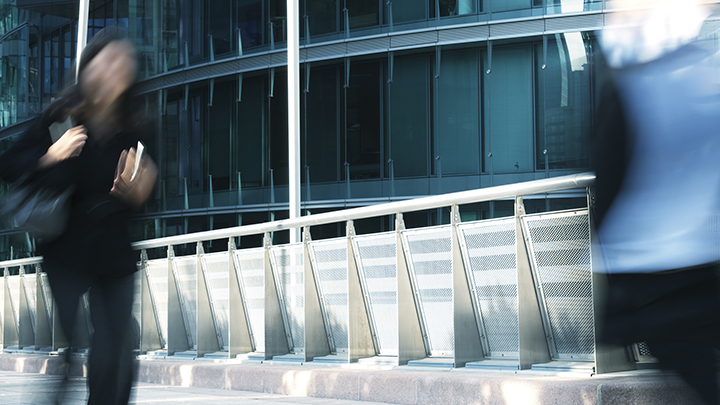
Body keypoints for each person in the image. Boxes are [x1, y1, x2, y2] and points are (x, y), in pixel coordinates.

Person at [0, 28, 156, 404]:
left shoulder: (136, 127)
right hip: (66, 250)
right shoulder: (60, 117)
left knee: (116, 351)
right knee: (75, 348)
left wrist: (142, 188)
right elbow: (7, 164)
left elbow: (151, 194)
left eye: (124, 63)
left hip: (115, 253)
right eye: (109, 60)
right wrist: (51, 154)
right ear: (88, 67)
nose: (117, 69)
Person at [594, 1, 720, 403]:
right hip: (702, 263)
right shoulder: (706, 72)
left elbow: (610, 179)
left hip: (658, 276)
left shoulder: (628, 81)